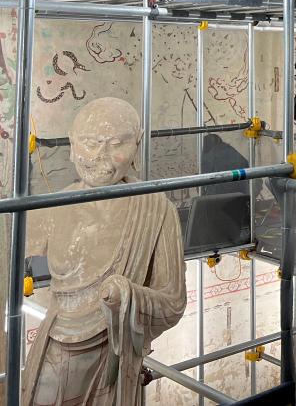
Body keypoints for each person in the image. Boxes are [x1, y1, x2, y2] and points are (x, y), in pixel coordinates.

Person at [23, 98, 186, 406]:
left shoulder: (155, 210)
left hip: (113, 356)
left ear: (137, 145)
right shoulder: (52, 208)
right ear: (72, 144)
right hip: (56, 348)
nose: (100, 156)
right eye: (90, 142)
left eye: (116, 144)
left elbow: (173, 303)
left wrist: (126, 295)